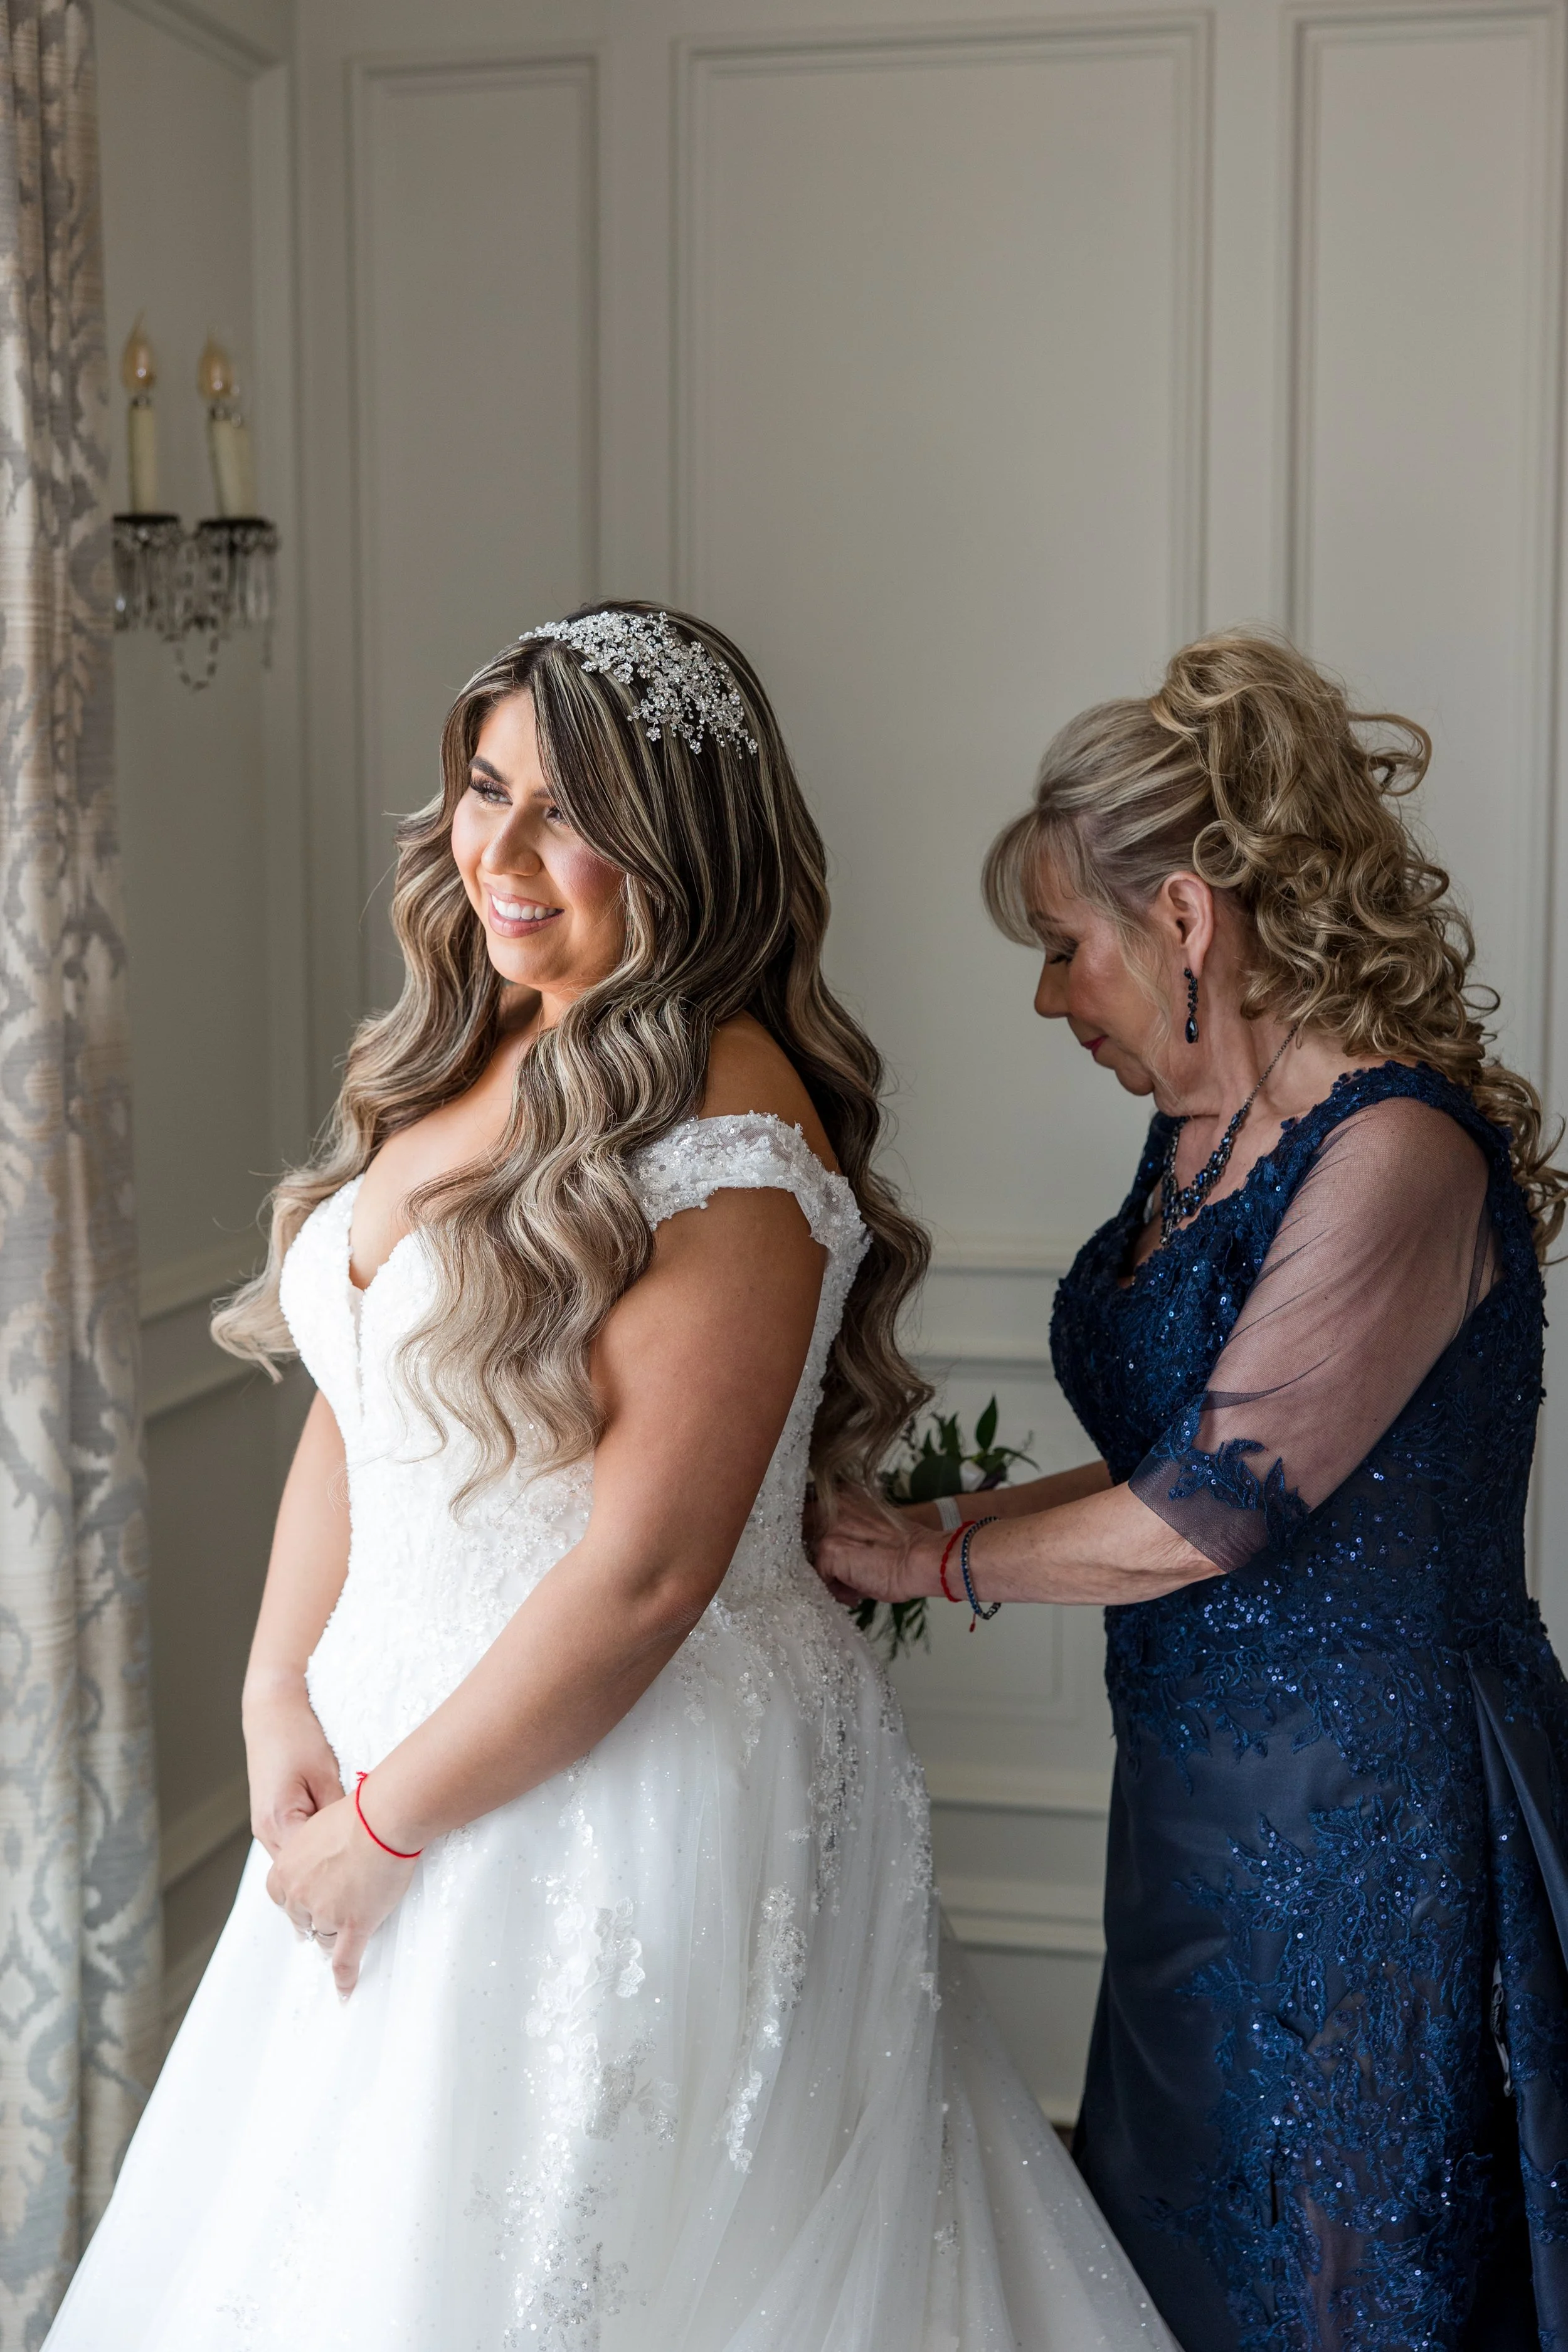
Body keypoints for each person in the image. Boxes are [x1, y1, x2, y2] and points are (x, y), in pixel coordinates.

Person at [46, 605, 1175, 2351]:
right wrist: (280, 1689)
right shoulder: (473, 1040)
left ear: (679, 841)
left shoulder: (728, 1112)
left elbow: (647, 1575)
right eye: (481, 788)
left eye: (561, 814)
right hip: (388, 1753)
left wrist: (386, 1824)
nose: (492, 851)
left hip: (608, 1784)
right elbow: (367, 1400)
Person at [817, 631, 1568, 2352]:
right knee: (1180, 2262)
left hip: (1370, 1828)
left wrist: (930, 1553)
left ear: (1182, 920)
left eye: (1061, 946)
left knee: (1342, 2280)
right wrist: (938, 1533)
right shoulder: (1196, 1129)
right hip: (1192, 1814)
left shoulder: (1395, 1147)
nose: (1043, 995)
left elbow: (1207, 1511)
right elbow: (1194, 1452)